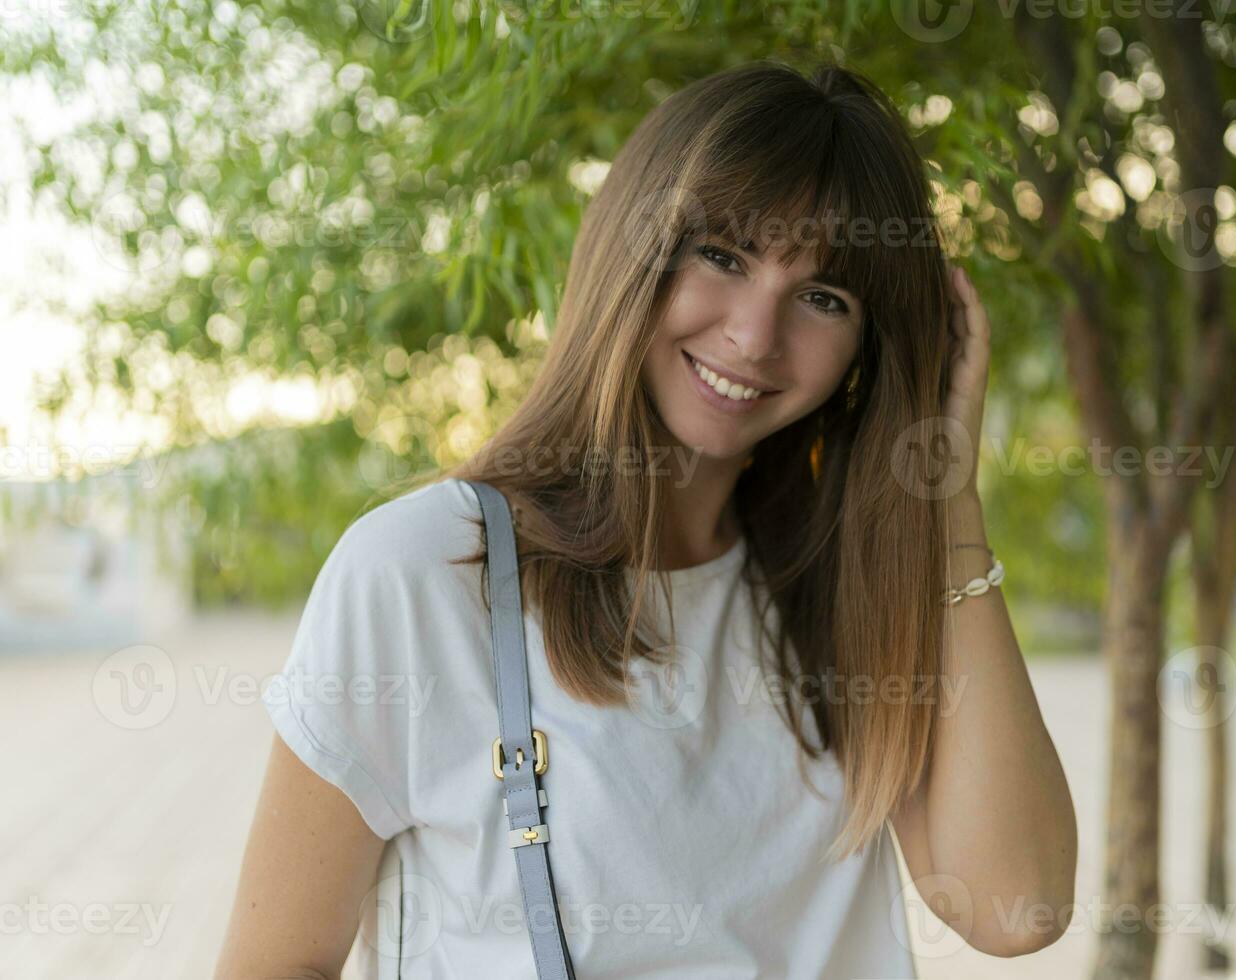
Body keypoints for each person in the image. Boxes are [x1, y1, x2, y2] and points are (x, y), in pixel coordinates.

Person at [214, 59, 1076, 979]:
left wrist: (943, 497)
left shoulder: (837, 586)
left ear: (869, 350)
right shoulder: (426, 573)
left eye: (824, 298)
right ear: (633, 249)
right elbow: (274, 963)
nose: (754, 334)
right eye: (724, 256)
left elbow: (1013, 908)